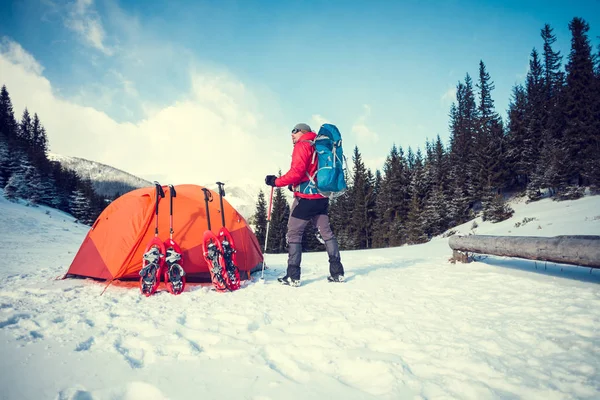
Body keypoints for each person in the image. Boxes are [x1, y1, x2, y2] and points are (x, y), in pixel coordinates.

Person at [265, 123, 345, 287]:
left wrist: (276, 181)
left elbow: (297, 172)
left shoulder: (302, 145)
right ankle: (337, 273)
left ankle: (293, 276)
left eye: (294, 131)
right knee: (327, 233)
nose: (292, 135)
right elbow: (310, 173)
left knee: (294, 234)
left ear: (303, 132)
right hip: (322, 197)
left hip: (305, 200)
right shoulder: (318, 145)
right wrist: (294, 185)